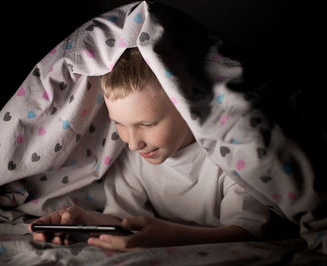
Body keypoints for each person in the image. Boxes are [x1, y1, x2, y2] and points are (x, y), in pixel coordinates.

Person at [29, 48, 271, 252]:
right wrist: (86, 221)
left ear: (185, 108)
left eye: (147, 124)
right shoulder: (131, 156)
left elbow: (249, 230)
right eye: (119, 124)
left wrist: (173, 238)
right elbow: (124, 219)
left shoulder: (229, 152)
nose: (133, 143)